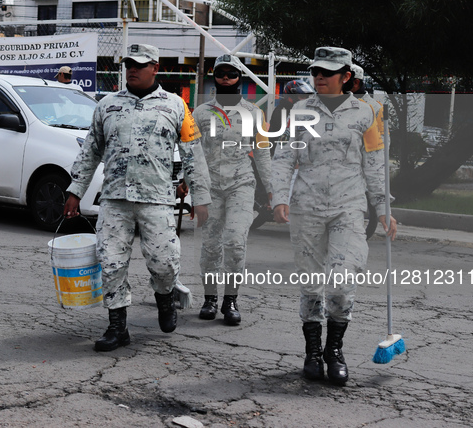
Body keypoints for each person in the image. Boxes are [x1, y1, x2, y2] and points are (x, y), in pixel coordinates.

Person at [63, 43, 211, 351]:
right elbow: (91, 150)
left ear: (155, 68)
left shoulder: (175, 106)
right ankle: (117, 326)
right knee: (112, 263)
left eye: (139, 64)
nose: (132, 69)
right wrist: (75, 190)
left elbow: (193, 154)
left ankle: (165, 296)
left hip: (157, 198)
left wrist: (200, 196)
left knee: (164, 263)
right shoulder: (107, 105)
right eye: (129, 63)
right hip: (115, 199)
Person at [271, 47, 397, 385]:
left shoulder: (367, 112)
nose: (320, 78)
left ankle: (334, 350)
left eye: (328, 72)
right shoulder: (299, 110)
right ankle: (313, 352)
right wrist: (278, 197)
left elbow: (375, 163)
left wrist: (383, 208)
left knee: (341, 282)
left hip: (349, 206)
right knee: (311, 283)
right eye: (316, 72)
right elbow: (283, 156)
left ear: (346, 77)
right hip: (306, 205)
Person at [192, 54, 273, 325]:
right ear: (214, 76)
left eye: (231, 73)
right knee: (211, 247)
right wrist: (190, 185)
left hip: (241, 185)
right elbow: (194, 154)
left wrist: (274, 191)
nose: (226, 78)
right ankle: (210, 298)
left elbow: (262, 153)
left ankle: (230, 300)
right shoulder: (201, 113)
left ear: (240, 77)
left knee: (236, 243)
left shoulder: (254, 112)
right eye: (221, 73)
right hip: (210, 188)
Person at [268, 80, 314, 157]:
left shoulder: (300, 112)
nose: (305, 100)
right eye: (302, 97)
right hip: (282, 158)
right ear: (291, 97)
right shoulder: (282, 113)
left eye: (307, 97)